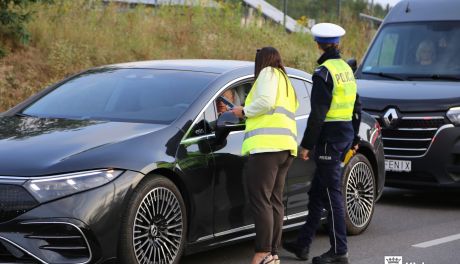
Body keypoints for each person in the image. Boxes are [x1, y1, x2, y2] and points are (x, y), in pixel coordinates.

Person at [282, 23, 361, 264]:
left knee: (331, 193)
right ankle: (303, 244)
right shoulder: (346, 70)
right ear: (337, 43)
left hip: (328, 139)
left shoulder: (324, 73)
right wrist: (355, 138)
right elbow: (357, 107)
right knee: (318, 191)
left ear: (318, 43)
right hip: (344, 134)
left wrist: (306, 145)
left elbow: (317, 114)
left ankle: (339, 251)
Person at [231, 47, 299, 264]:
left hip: (267, 149)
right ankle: (273, 253)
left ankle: (262, 253)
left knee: (261, 201)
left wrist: (244, 111)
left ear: (262, 61)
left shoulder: (267, 73)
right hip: (285, 148)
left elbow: (266, 103)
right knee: (275, 201)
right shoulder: (286, 80)